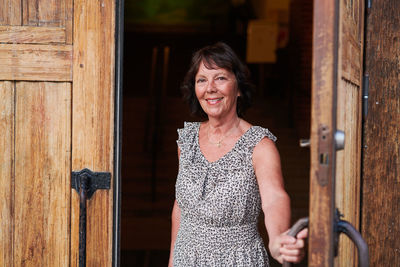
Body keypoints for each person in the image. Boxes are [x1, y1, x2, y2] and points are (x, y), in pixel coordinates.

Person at [168, 42, 307, 266]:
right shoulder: (186, 141)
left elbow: (274, 199)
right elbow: (180, 206)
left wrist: (278, 240)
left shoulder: (259, 145)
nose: (210, 87)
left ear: (239, 87)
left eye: (220, 78)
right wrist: (172, 261)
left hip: (238, 259)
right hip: (187, 258)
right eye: (202, 80)